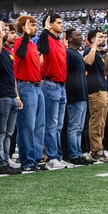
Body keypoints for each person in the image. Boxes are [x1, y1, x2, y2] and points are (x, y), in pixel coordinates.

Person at [0, 20, 22, 175]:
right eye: (3, 29)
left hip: (10, 95)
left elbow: (12, 76)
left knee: (8, 132)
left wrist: (17, 95)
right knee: (0, 131)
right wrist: (0, 38)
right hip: (0, 94)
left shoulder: (8, 51)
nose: (6, 31)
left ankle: (5, 159)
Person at [13, 15, 45, 173]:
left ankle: (35, 158)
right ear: (24, 27)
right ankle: (27, 161)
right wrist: (25, 35)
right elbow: (20, 54)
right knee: (27, 126)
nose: (35, 27)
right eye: (32, 25)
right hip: (26, 86)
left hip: (37, 86)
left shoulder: (33, 45)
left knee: (39, 125)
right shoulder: (20, 42)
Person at [38, 14, 70, 169]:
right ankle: (51, 157)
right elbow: (42, 48)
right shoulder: (47, 39)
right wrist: (44, 29)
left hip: (61, 86)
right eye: (58, 22)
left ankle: (57, 155)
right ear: (50, 24)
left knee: (58, 125)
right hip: (50, 84)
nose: (61, 25)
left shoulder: (59, 42)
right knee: (52, 124)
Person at [64, 28, 92, 165]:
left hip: (82, 94)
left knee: (79, 127)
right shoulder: (67, 52)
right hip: (74, 94)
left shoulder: (77, 53)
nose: (80, 37)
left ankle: (78, 152)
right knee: (74, 127)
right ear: (69, 38)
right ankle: (74, 154)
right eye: (77, 35)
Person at [83, 30, 108, 163]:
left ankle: (100, 148)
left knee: (102, 122)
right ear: (93, 39)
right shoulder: (89, 51)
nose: (103, 39)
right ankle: (95, 150)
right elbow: (88, 62)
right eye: (100, 37)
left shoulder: (100, 54)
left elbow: (106, 70)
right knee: (96, 122)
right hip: (95, 91)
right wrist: (93, 46)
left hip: (103, 89)